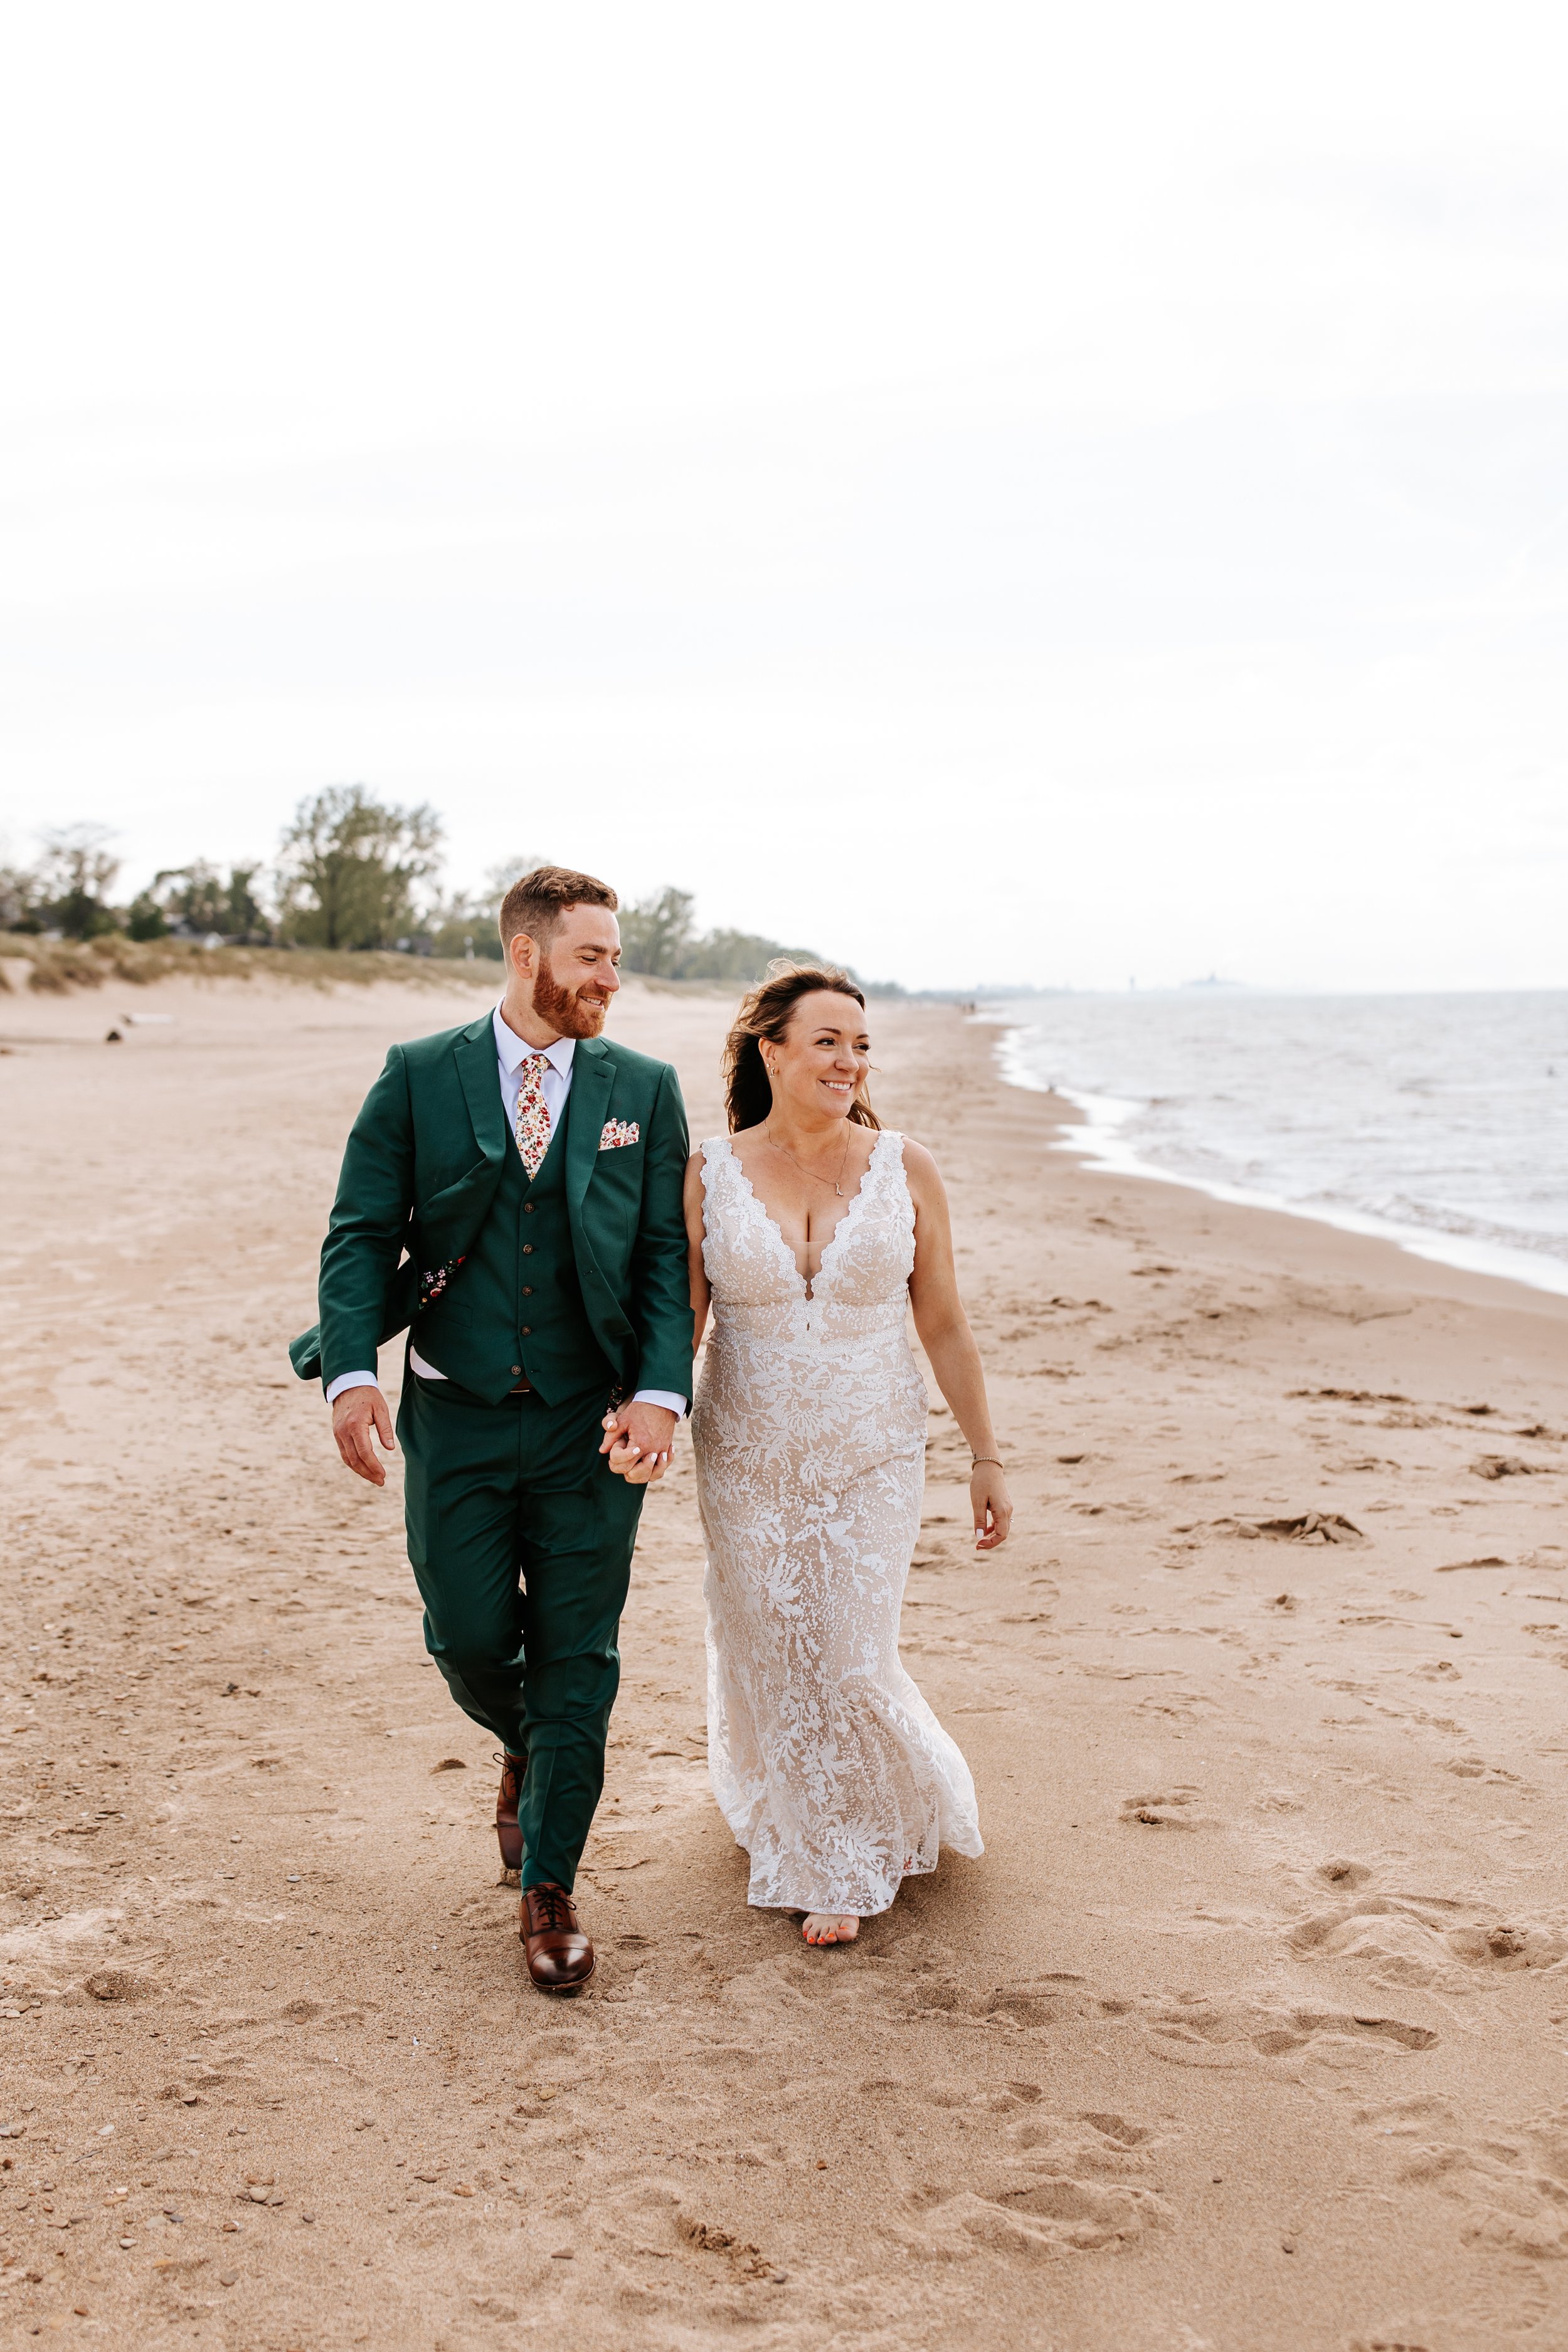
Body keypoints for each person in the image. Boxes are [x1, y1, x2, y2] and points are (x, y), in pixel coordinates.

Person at [289, 866, 692, 1992]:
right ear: (528, 954)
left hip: (590, 1425)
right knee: (466, 1638)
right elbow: (361, 1230)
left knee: (582, 1658)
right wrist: (350, 1376)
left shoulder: (644, 1090)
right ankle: (535, 1744)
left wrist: (662, 1389)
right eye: (594, 955)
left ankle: (550, 1884)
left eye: (617, 955)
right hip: (456, 1415)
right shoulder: (421, 1075)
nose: (614, 975)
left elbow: (666, 1255)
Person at [686, 964, 1011, 1947]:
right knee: (771, 1644)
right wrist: (643, 1410)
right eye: (827, 1040)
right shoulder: (707, 1169)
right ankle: (807, 1818)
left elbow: (945, 1323)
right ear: (771, 1049)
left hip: (875, 1449)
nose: (848, 1060)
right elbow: (681, 1321)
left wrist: (986, 1455)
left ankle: (839, 1855)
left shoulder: (906, 1167)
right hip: (746, 1450)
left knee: (849, 1649)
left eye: (860, 1044)